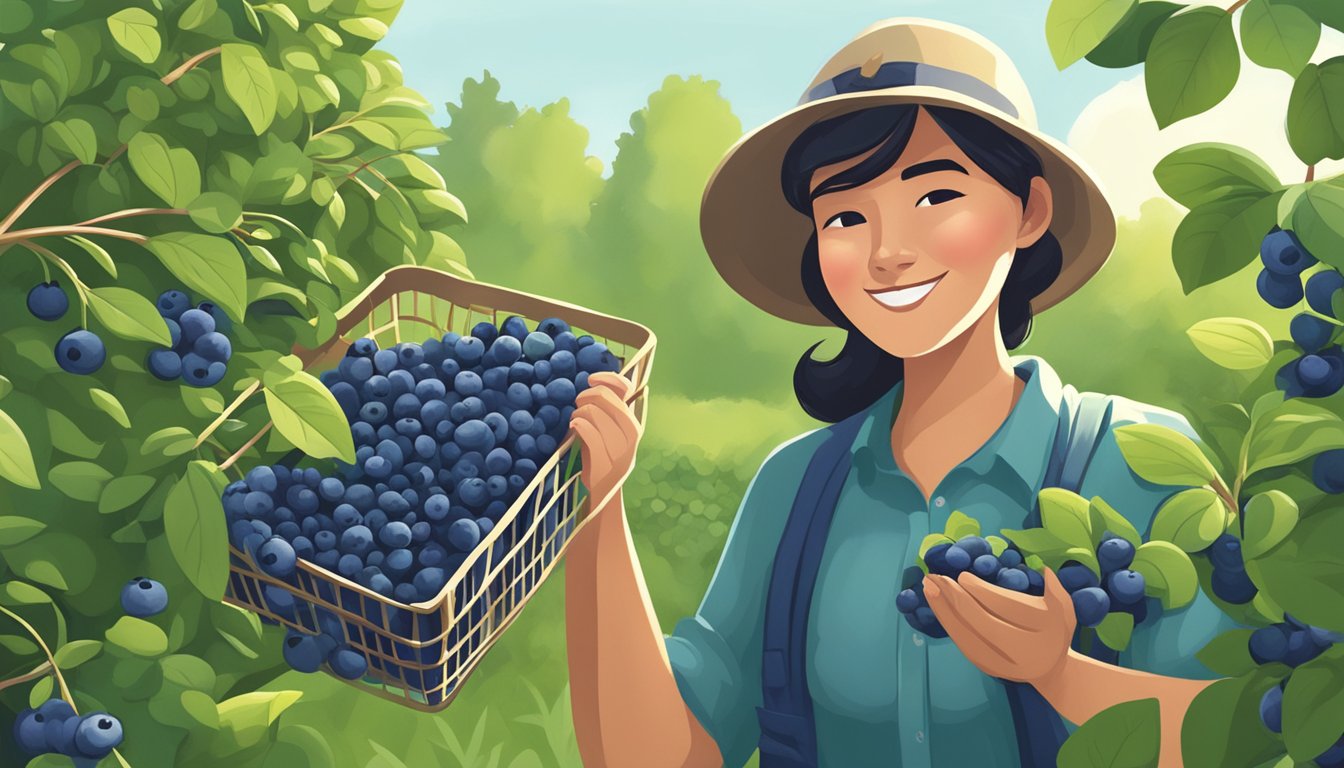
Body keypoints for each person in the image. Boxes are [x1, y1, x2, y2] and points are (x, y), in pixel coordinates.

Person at [564, 17, 1241, 768]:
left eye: (934, 196)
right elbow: (658, 757)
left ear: (1030, 211)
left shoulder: (1145, 462)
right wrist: (597, 513)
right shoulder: (794, 490)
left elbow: (1250, 732)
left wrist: (1061, 674)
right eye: (845, 216)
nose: (887, 252)